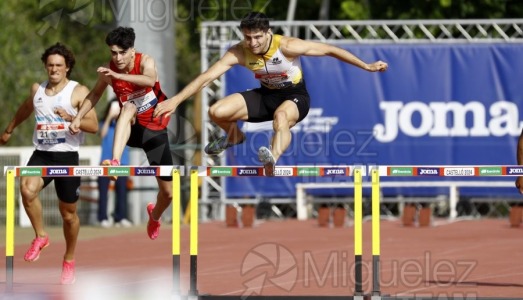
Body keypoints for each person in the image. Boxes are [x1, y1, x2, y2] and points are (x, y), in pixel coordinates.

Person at [152, 11, 388, 176]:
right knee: (216, 111)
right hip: (266, 96)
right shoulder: (239, 52)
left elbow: (329, 50)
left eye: (257, 37)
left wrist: (366, 66)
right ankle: (234, 136)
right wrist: (175, 99)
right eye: (248, 37)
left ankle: (272, 159)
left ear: (268, 33)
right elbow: (206, 78)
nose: (252, 43)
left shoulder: (286, 45)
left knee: (281, 118)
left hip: (295, 97)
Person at [0, 43, 98, 284]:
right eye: (50, 65)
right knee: (26, 189)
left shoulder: (78, 91)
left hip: (67, 156)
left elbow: (94, 126)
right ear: (45, 66)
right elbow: (25, 108)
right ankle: (41, 236)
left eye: (59, 65)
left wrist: (72, 118)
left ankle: (69, 259)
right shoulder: (38, 89)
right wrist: (9, 129)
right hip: (42, 153)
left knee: (68, 215)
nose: (54, 69)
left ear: (67, 68)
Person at [69, 26, 172, 240]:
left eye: (122, 53)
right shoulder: (109, 71)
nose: (117, 58)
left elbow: (150, 80)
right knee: (127, 107)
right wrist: (78, 117)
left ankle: (155, 216)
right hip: (131, 128)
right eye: (113, 53)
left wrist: (116, 75)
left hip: (154, 131)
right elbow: (95, 94)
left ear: (132, 50)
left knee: (169, 193)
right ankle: (115, 162)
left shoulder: (145, 61)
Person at [98, 98, 132, 228]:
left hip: (122, 162)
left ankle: (120, 217)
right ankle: (102, 218)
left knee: (122, 191)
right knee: (103, 191)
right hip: (105, 162)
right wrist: (109, 117)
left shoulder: (127, 124)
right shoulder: (104, 122)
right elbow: (102, 134)